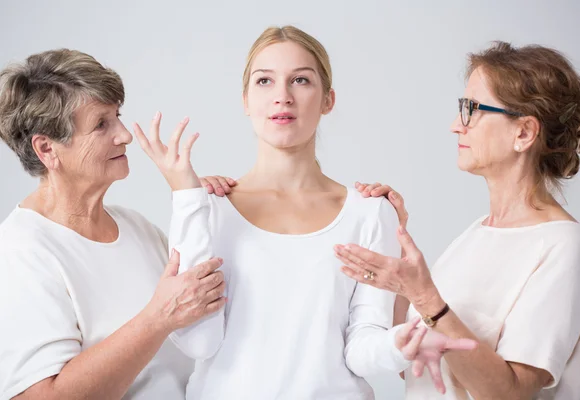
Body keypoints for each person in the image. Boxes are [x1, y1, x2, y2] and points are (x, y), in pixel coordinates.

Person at [134, 25, 477, 399]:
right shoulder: (205, 206)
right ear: (246, 100)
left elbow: (362, 349)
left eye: (300, 80)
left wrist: (401, 344)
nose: (282, 97)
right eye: (264, 81)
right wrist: (187, 196)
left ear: (328, 99)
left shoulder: (371, 212)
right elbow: (199, 341)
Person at [334, 42, 580, 399]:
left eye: (471, 109)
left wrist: (425, 296)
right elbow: (415, 368)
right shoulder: (476, 235)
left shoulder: (562, 247)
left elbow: (510, 393)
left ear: (523, 133)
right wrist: (399, 257)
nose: (456, 126)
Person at [0, 49, 227, 399]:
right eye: (101, 124)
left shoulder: (136, 228)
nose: (124, 135)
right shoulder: (21, 251)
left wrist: (201, 207)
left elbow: (201, 323)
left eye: (117, 116)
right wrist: (157, 318)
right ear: (47, 149)